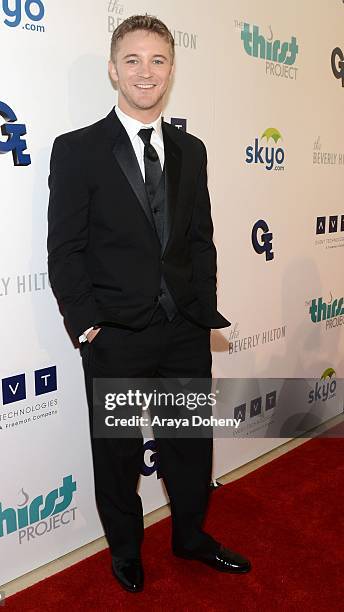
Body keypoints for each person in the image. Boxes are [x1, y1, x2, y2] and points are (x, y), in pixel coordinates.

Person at [47, 14, 251, 593]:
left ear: (171, 70)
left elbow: (200, 240)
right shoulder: (78, 150)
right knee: (116, 455)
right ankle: (127, 550)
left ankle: (189, 537)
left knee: (188, 446)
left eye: (157, 60)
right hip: (115, 335)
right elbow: (65, 248)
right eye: (132, 60)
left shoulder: (192, 150)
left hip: (183, 330)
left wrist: (201, 308)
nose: (145, 72)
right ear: (114, 69)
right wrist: (87, 324)